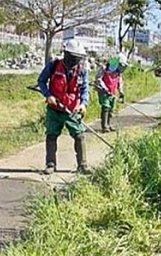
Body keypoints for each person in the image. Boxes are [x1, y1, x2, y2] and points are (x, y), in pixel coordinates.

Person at [37, 39, 90, 175]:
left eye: (77, 58)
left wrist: (83, 104)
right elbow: (41, 81)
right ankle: (50, 164)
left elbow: (85, 89)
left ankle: (82, 165)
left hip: (72, 110)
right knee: (51, 135)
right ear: (66, 54)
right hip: (54, 109)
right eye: (72, 57)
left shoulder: (82, 70)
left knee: (79, 136)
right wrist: (48, 95)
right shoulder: (54, 65)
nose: (74, 61)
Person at [94, 52, 128, 132]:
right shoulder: (104, 68)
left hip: (112, 92)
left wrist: (121, 92)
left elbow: (120, 82)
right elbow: (98, 79)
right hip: (103, 92)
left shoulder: (118, 73)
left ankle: (108, 124)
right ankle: (104, 126)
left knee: (111, 108)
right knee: (106, 106)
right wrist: (105, 88)